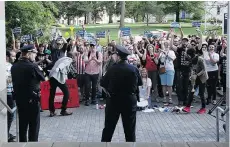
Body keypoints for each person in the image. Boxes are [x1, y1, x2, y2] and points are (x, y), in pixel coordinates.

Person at [101, 45, 142, 142]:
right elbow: (139, 83)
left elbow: (103, 84)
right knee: (130, 130)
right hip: (129, 100)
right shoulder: (134, 69)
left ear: (118, 56)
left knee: (108, 128)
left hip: (114, 100)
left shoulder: (112, 69)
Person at [11, 45, 45, 142]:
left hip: (19, 100)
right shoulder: (32, 66)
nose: (35, 56)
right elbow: (42, 78)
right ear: (29, 53)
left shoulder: (14, 66)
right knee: (34, 126)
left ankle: (22, 144)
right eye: (34, 53)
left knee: (22, 126)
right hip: (32, 100)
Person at [182, 49, 208, 114]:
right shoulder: (191, 59)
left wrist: (197, 75)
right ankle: (187, 107)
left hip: (202, 77)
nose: (186, 56)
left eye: (187, 54)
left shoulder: (200, 59)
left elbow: (204, 69)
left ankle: (203, 108)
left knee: (201, 93)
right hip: (195, 77)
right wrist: (191, 75)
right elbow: (192, 68)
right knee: (191, 91)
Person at [6, 50, 16, 142]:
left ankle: (6, 133)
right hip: (9, 93)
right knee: (10, 115)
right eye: (13, 56)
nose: (15, 58)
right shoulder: (9, 66)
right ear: (7, 56)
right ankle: (6, 134)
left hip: (6, 92)